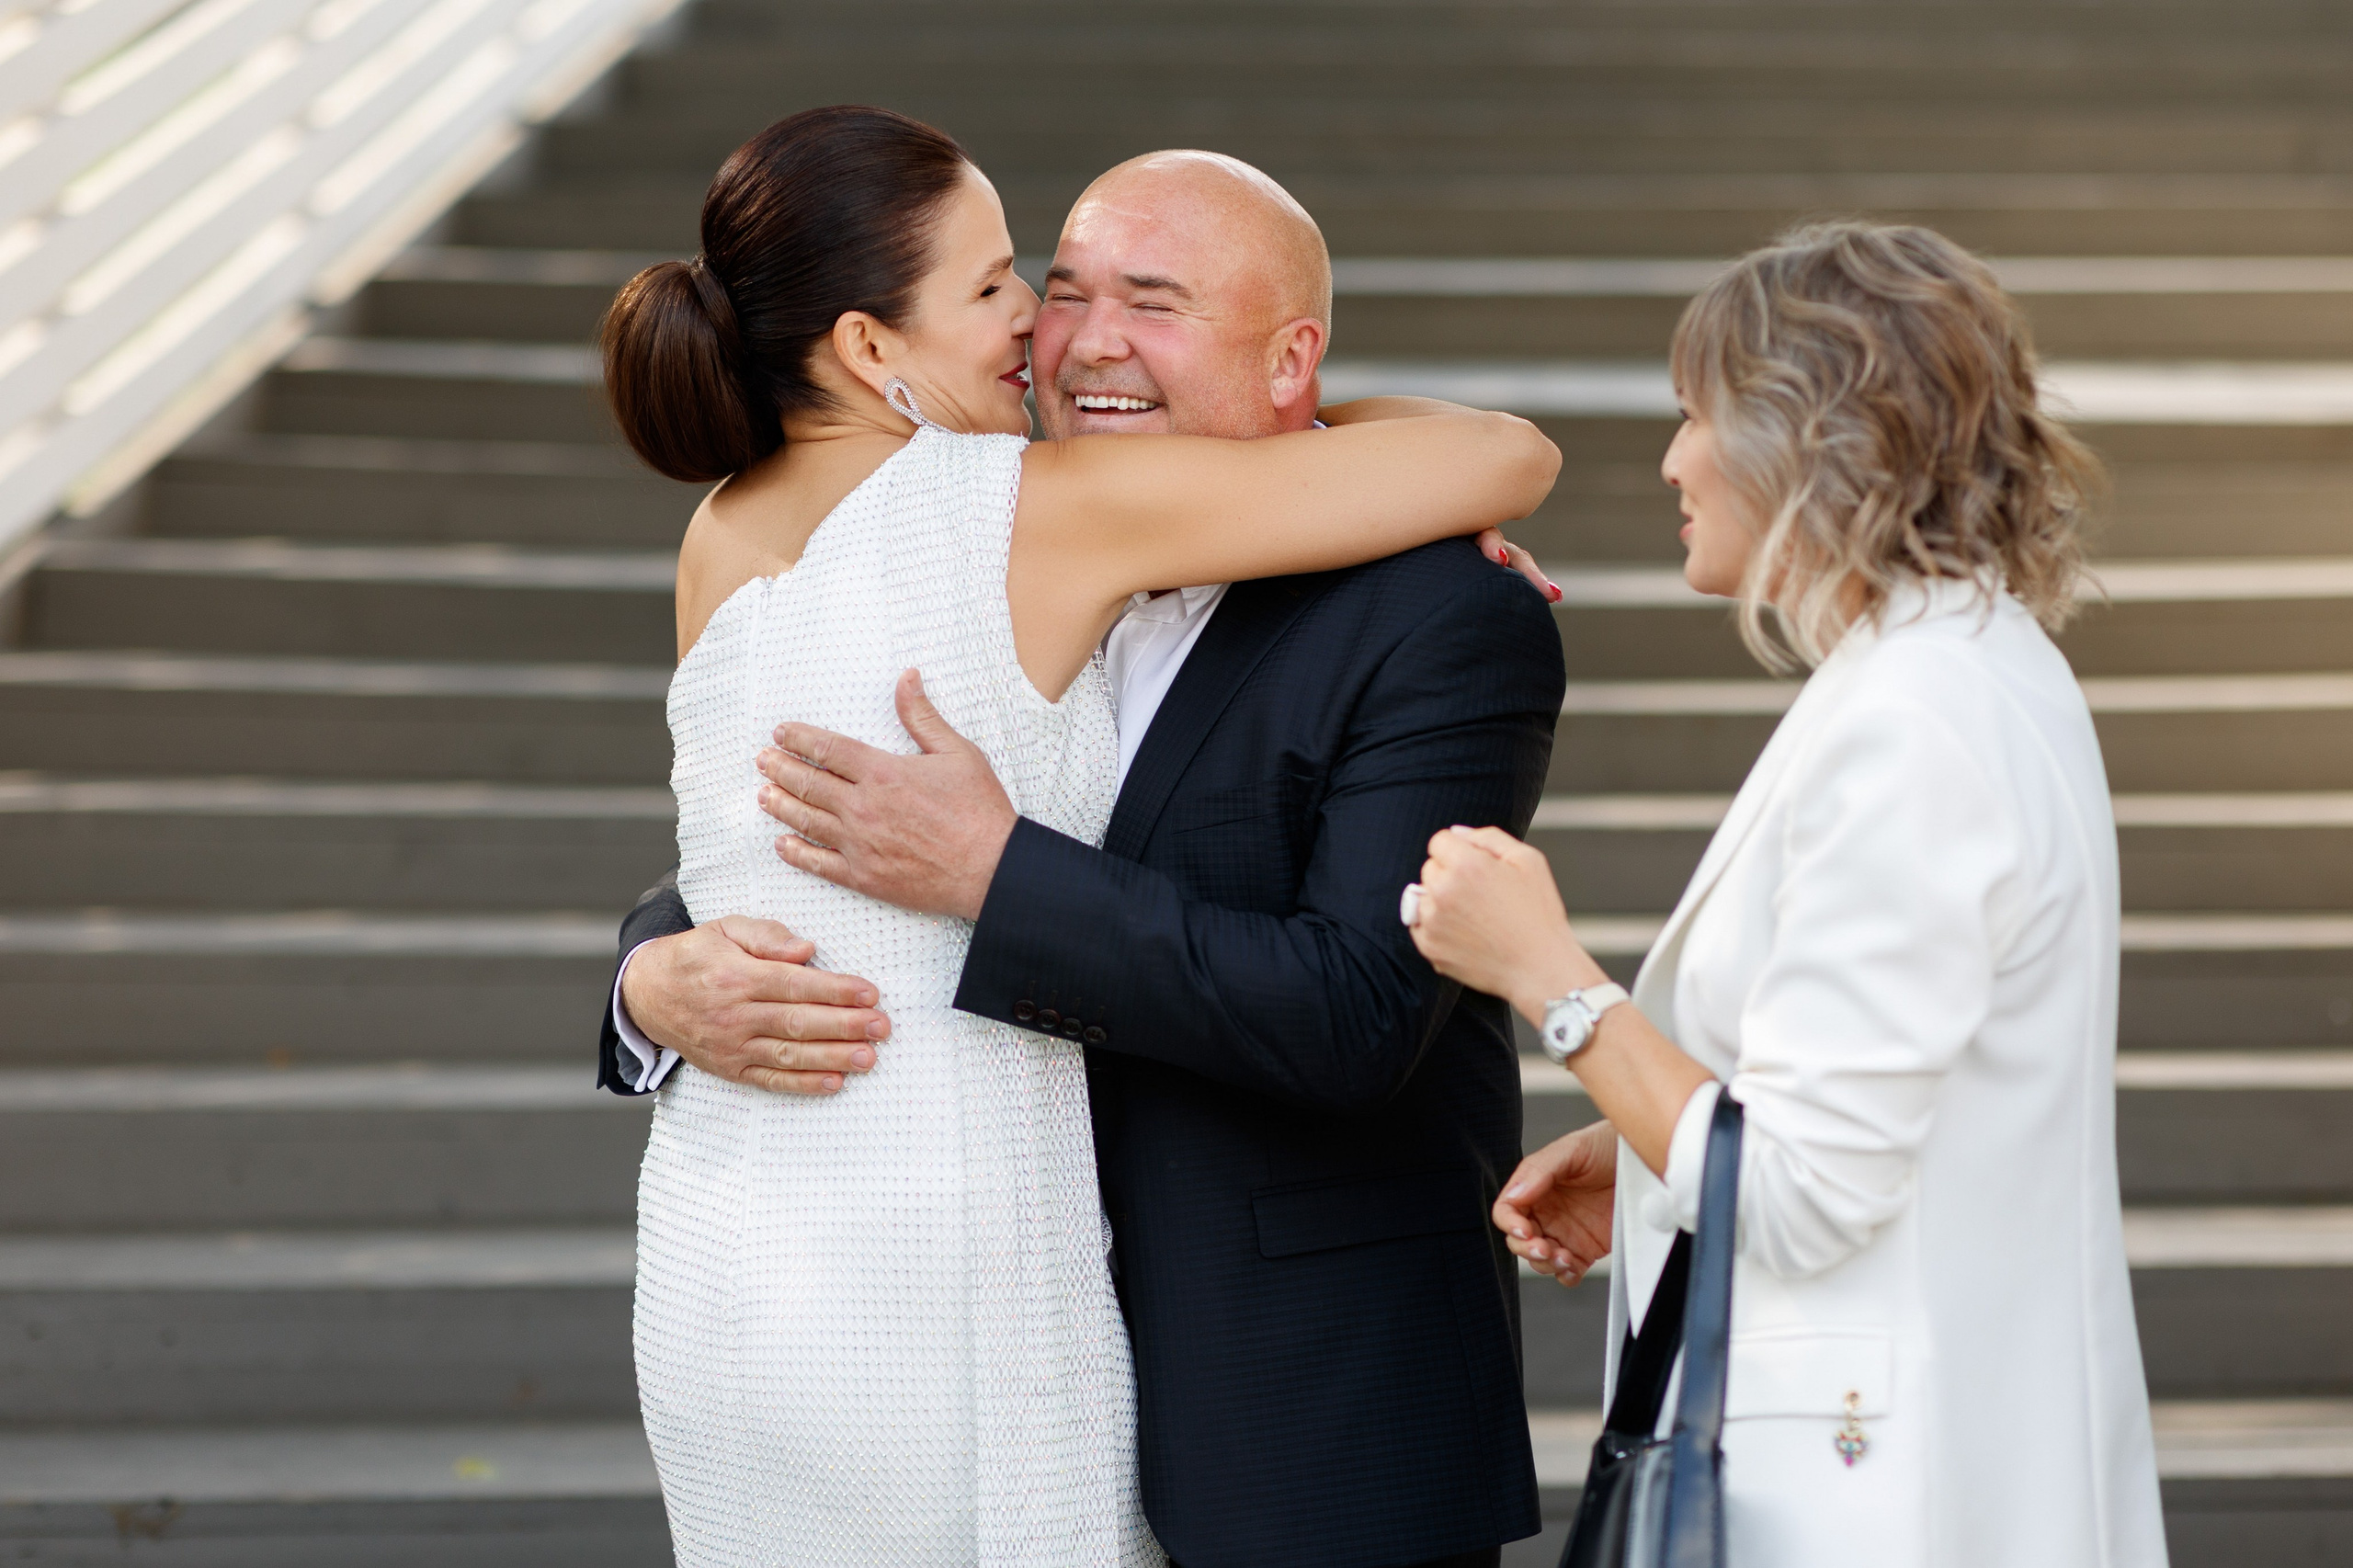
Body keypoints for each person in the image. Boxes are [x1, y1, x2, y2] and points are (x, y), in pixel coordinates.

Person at [597, 108, 1560, 1568]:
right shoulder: (1038, 514)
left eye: (1141, 303)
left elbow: (760, 844)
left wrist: (667, 972)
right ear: (871, 346)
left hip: (750, 1270)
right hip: (935, 1265)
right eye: (1015, 286)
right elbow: (1507, 453)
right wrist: (654, 980)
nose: (1054, 330)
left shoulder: (720, 535)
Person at [1403, 222, 2169, 1567]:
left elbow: (1804, 1190)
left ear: (1808, 439)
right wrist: (1639, 1144)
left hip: (1882, 1488)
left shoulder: (1916, 719)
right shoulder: (1965, 668)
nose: (1671, 460)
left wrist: (1551, 980)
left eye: (1699, 416)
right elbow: (1862, 1103)